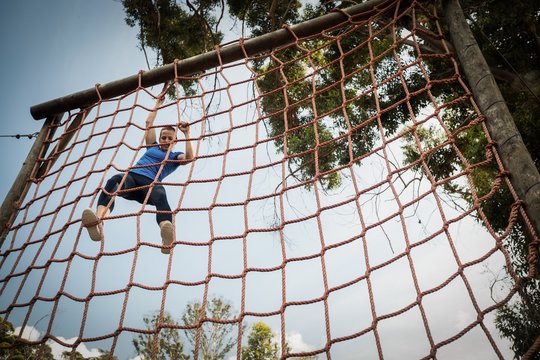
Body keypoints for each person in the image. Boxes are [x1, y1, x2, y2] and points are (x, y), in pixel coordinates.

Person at [82, 97, 193, 254]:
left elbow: (189, 158)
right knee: (115, 181)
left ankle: (167, 236)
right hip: (133, 179)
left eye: (170, 138)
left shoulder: (175, 156)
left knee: (160, 194)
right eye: (164, 137)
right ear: (159, 139)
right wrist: (158, 103)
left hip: (150, 187)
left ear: (175, 141)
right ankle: (99, 222)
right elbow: (149, 123)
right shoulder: (151, 146)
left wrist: (187, 133)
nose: (166, 140)